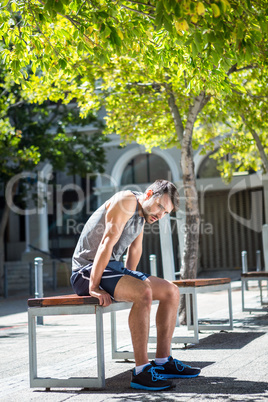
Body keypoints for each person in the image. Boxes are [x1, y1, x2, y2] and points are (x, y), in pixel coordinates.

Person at [71, 179, 201, 391]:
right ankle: (141, 371)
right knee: (144, 292)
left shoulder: (142, 214)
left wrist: (131, 277)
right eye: (160, 206)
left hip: (111, 269)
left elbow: (135, 249)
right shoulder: (126, 200)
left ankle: (162, 361)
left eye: (166, 213)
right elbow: (106, 242)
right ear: (149, 193)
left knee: (171, 291)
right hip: (87, 270)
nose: (160, 215)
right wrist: (94, 287)